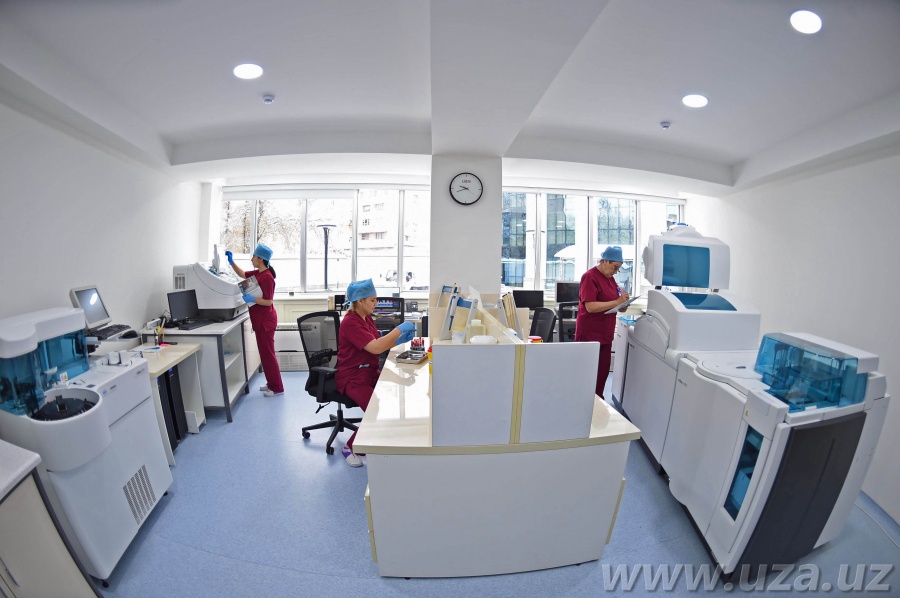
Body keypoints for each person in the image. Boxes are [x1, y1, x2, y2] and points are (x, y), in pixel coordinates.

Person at [335, 278, 416, 467]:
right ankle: (349, 447)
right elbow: (376, 347)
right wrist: (398, 330)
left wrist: (396, 340)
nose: (376, 303)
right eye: (372, 300)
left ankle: (372, 437)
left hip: (369, 372)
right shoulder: (350, 322)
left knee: (395, 389)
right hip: (352, 378)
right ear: (360, 301)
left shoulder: (366, 318)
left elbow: (377, 339)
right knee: (375, 409)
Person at [225, 244, 284, 397]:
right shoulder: (258, 273)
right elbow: (243, 274)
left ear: (261, 259)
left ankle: (277, 388)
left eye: (253, 257)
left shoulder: (267, 277)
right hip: (260, 320)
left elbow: (268, 301)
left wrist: (252, 299)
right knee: (264, 355)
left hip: (266, 322)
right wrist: (231, 262)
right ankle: (271, 383)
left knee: (268, 355)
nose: (252, 259)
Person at [574, 245, 631, 399]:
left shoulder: (610, 279)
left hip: (605, 335)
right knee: (587, 375)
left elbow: (616, 301)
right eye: (615, 267)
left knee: (602, 373)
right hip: (590, 335)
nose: (616, 271)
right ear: (605, 261)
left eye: (618, 268)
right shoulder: (590, 277)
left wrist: (623, 304)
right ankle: (583, 404)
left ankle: (597, 402)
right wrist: (617, 302)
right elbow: (590, 307)